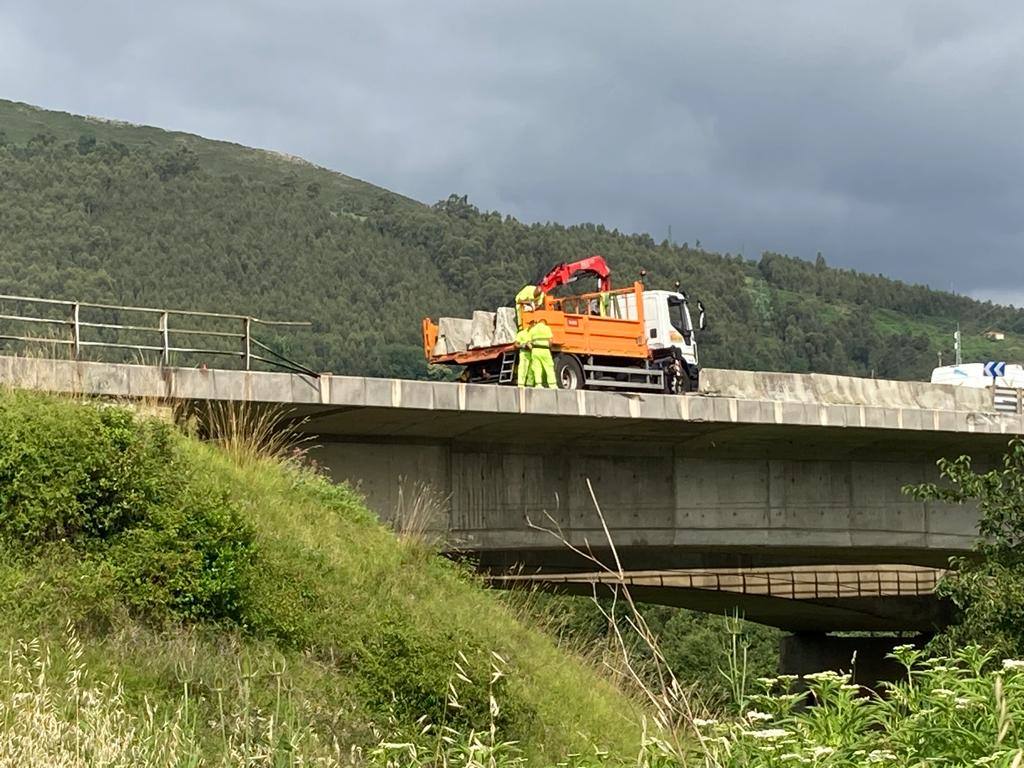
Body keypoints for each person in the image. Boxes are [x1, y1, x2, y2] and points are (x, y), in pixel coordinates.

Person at [528, 317, 557, 389]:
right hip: (545, 350)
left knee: (537, 368)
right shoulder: (547, 328)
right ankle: (552, 385)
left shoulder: (533, 329)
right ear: (545, 323)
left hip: (535, 350)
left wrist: (533, 349)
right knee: (549, 367)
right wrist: (549, 347)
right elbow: (550, 340)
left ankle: (538, 384)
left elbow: (528, 343)